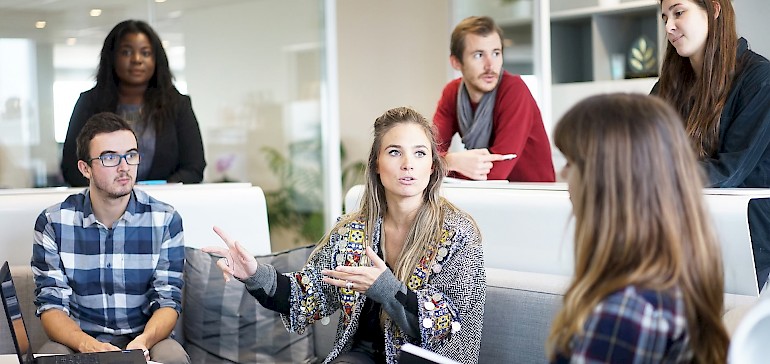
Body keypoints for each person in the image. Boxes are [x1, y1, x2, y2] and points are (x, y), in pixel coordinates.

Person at [203, 107, 486, 364]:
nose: (408, 164)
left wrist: (387, 289)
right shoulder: (352, 230)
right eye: (395, 152)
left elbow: (449, 324)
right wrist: (254, 274)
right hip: (362, 357)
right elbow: (308, 295)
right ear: (376, 164)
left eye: (420, 153)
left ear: (432, 166)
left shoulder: (458, 233)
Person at [547, 94, 729, 363]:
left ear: (607, 182)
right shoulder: (672, 283)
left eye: (571, 163)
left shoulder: (625, 313)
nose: (562, 175)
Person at [33, 112, 189, 364]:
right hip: (78, 340)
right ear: (85, 168)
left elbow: (168, 300)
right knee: (51, 356)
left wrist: (143, 343)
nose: (124, 166)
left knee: (173, 357)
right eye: (109, 158)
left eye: (131, 155)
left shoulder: (165, 219)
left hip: (146, 338)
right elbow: (51, 306)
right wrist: (89, 345)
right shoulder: (53, 222)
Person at [653, 0, 770, 288]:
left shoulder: (759, 78)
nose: (669, 26)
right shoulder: (667, 86)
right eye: (665, 17)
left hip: (744, 236)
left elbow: (729, 170)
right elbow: (643, 151)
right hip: (682, 231)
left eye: (679, 13)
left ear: (714, 10)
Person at [60, 19, 206, 187]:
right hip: (103, 207)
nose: (137, 59)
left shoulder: (178, 105)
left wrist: (156, 193)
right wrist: (112, 192)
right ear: (112, 57)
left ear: (156, 59)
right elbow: (72, 167)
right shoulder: (89, 103)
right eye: (126, 52)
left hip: (164, 205)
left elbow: (194, 167)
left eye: (145, 53)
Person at [432, 16, 554, 182]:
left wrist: (443, 164)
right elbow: (428, 154)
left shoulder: (514, 90)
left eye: (496, 53)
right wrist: (450, 161)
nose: (490, 65)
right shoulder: (452, 93)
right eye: (478, 55)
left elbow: (496, 172)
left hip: (532, 197)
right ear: (456, 62)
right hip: (487, 196)